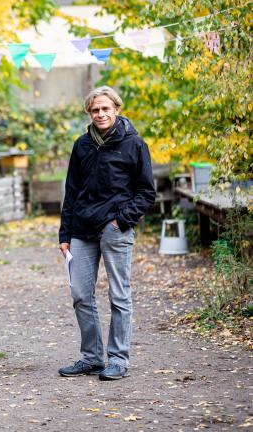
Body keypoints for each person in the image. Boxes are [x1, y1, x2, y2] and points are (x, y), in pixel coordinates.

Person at [58, 86, 155, 381]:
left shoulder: (133, 144)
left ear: (116, 109)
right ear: (89, 113)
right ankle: (91, 357)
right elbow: (71, 191)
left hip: (114, 230)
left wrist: (120, 221)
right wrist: (65, 234)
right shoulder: (82, 145)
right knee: (79, 295)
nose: (100, 114)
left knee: (119, 295)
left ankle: (118, 359)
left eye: (105, 109)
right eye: (95, 110)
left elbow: (146, 192)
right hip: (81, 231)